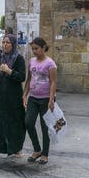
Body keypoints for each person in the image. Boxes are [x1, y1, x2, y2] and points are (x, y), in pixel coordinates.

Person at [23, 37, 57, 165]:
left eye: (36, 48)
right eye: (33, 49)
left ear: (43, 48)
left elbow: (53, 82)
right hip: (33, 98)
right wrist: (25, 95)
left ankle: (45, 154)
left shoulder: (50, 64)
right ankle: (37, 149)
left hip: (45, 100)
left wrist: (51, 99)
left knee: (44, 127)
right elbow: (29, 79)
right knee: (28, 122)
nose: (34, 51)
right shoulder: (31, 61)